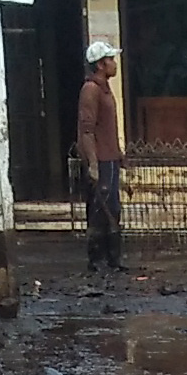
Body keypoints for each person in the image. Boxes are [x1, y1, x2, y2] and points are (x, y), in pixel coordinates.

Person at [75, 41, 124, 273]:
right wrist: (93, 164)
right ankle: (97, 259)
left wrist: (118, 154)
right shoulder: (91, 90)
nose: (115, 63)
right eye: (111, 60)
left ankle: (113, 258)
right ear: (101, 64)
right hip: (101, 160)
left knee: (112, 207)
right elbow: (87, 130)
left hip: (110, 157)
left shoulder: (104, 88)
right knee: (100, 208)